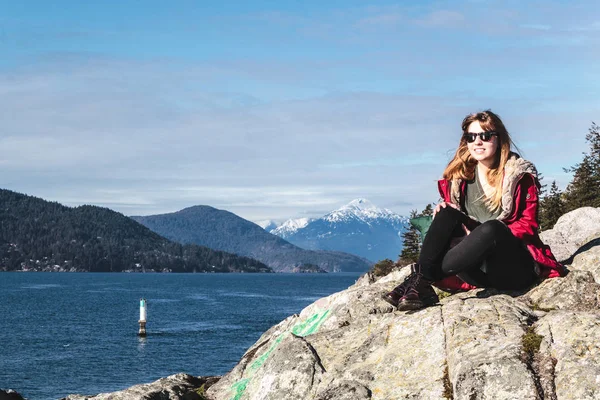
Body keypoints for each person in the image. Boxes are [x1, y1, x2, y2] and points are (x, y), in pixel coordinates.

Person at [383, 110, 565, 311]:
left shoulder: (519, 175)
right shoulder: (461, 178)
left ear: (499, 139)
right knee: (446, 212)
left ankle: (421, 277)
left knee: (491, 229)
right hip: (475, 270)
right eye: (471, 137)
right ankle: (423, 281)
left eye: (485, 136)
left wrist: (481, 235)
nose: (478, 142)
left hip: (512, 267)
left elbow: (527, 225)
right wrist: (458, 224)